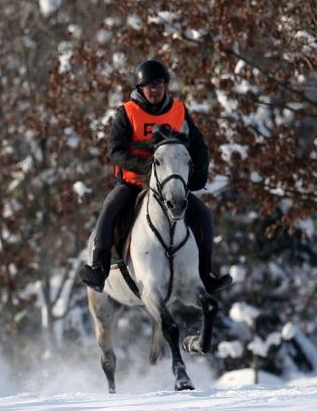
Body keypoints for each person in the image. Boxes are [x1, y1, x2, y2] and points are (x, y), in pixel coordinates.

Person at [77, 59, 233, 295]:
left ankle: (205, 274)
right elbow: (115, 150)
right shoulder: (127, 112)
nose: (155, 90)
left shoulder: (178, 110)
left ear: (165, 86)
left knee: (203, 215)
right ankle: (99, 268)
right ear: (140, 89)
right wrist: (145, 167)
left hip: (169, 184)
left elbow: (198, 145)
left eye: (159, 84)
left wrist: (200, 172)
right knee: (110, 208)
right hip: (135, 182)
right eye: (150, 86)